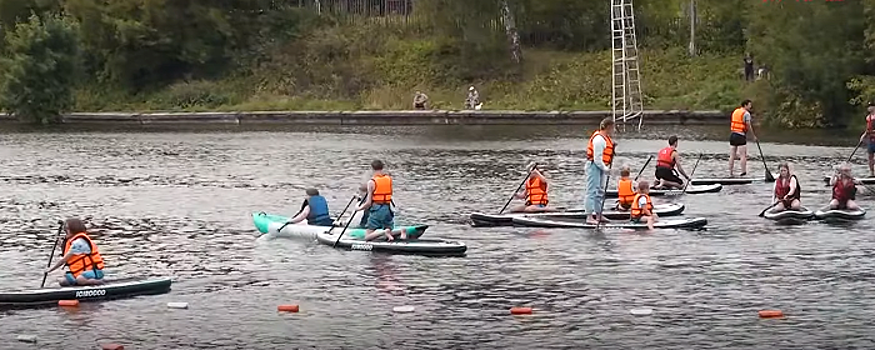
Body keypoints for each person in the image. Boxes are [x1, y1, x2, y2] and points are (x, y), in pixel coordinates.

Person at [44, 218, 106, 286]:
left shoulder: (79, 242)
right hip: (80, 272)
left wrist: (50, 270)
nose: (65, 231)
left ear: (74, 230)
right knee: (63, 281)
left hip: (94, 272)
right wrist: (60, 243)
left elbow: (64, 259)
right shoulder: (73, 241)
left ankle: (98, 282)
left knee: (80, 279)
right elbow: (68, 251)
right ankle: (76, 286)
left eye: (67, 229)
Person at [357, 160, 402, 241]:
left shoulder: (371, 182)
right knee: (389, 228)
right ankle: (401, 231)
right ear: (382, 167)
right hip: (388, 209)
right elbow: (390, 193)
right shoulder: (388, 179)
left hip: (377, 209)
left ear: (372, 169)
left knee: (367, 237)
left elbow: (368, 203)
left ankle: (384, 232)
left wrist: (359, 208)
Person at [585, 118, 616, 224]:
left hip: (602, 167)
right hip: (594, 166)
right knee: (592, 191)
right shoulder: (599, 140)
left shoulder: (606, 138)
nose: (614, 130)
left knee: (600, 192)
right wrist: (606, 169)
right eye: (613, 127)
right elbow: (597, 159)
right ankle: (589, 216)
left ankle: (599, 214)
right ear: (608, 127)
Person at [729, 99, 757, 177]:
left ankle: (730, 172)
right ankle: (743, 172)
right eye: (749, 105)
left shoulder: (735, 111)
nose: (750, 106)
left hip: (733, 135)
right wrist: (753, 136)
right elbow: (748, 125)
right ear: (745, 105)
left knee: (732, 155)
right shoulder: (746, 113)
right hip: (740, 135)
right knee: (743, 155)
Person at [858, 102, 875, 177]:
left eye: (870, 106)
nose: (869, 108)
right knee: (870, 156)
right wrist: (863, 135)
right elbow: (868, 129)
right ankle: (872, 173)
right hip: (871, 138)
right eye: (868, 107)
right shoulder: (868, 117)